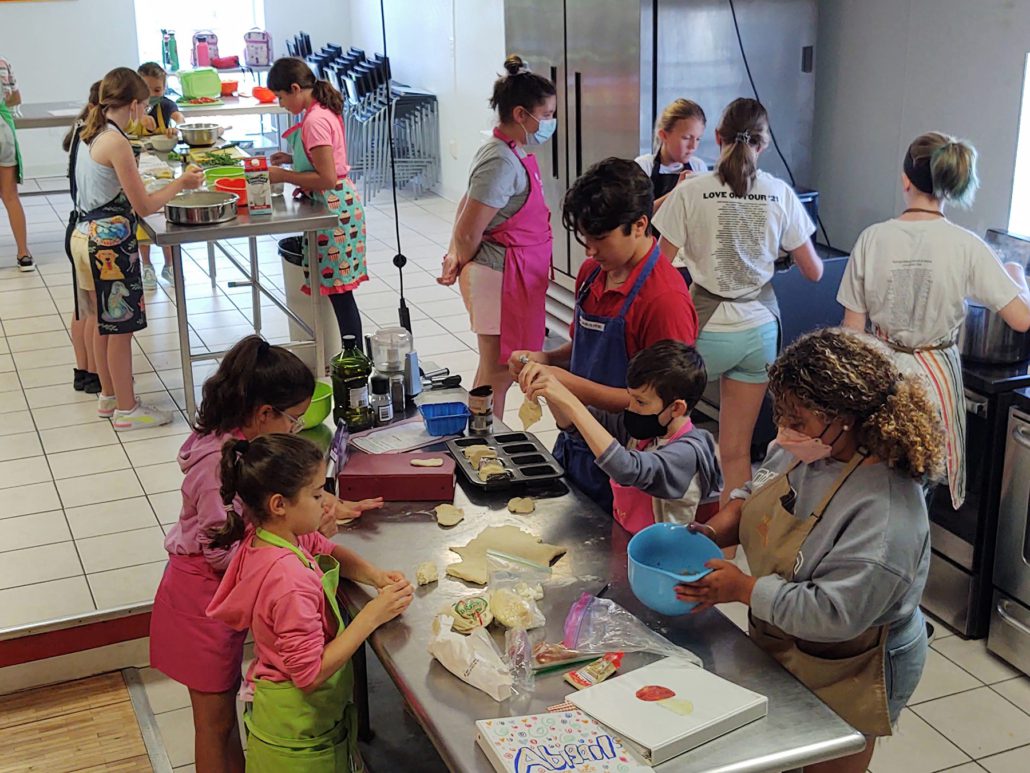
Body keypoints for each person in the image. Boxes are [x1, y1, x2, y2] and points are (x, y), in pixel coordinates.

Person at [677, 328, 943, 773]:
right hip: (789, 634)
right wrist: (712, 530)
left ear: (847, 418)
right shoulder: (810, 447)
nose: (784, 432)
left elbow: (833, 614)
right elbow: (756, 493)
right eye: (782, 415)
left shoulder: (886, 516)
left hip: (854, 658)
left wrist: (743, 589)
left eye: (797, 420)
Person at [150, 336, 382, 773]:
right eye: (294, 419)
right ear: (263, 414)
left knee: (224, 723)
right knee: (215, 726)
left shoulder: (245, 444)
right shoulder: (214, 465)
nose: (296, 428)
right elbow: (222, 552)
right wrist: (295, 533)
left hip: (221, 595)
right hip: (197, 603)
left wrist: (319, 505)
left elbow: (263, 513)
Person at [839, 131, 1030, 509]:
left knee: (875, 486)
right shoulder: (966, 245)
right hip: (934, 381)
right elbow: (1022, 320)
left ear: (905, 180)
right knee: (917, 493)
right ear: (950, 185)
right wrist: (1017, 276)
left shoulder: (872, 239)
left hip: (882, 378)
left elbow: (852, 332)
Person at [653, 98, 823, 509]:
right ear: (764, 144)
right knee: (736, 451)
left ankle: (667, 519)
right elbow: (814, 271)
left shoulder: (691, 191)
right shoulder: (779, 193)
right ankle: (732, 533)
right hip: (758, 332)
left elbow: (657, 268)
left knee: (664, 432)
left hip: (703, 327)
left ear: (717, 137)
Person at [207, 433, 413, 771]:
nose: (326, 506)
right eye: (317, 495)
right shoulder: (289, 580)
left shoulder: (273, 536)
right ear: (279, 505)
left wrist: (374, 575)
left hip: (288, 715)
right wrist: (372, 615)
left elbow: (325, 547)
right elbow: (309, 672)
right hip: (296, 739)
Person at [510, 158, 698, 511]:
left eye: (599, 239)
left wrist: (567, 386)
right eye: (585, 238)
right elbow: (585, 346)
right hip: (575, 444)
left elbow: (657, 406)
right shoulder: (592, 273)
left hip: (626, 460)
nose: (590, 250)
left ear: (639, 225)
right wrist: (548, 359)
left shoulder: (664, 300)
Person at [72, 67, 203, 429]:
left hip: (84, 235)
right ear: (132, 105)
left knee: (103, 324)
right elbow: (144, 205)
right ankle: (128, 410)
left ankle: (109, 397)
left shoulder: (91, 130)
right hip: (108, 244)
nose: (145, 112)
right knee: (120, 329)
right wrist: (182, 183)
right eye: (144, 106)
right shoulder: (116, 142)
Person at [437, 55, 556, 417]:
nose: (550, 122)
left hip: (513, 276)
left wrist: (459, 253)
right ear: (521, 114)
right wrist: (459, 257)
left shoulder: (511, 151)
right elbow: (469, 227)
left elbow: (468, 203)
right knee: (499, 370)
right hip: (498, 278)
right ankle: (486, 439)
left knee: (495, 368)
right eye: (547, 114)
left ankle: (483, 434)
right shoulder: (500, 160)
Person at [521, 339, 721, 532]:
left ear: (676, 408)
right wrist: (550, 392)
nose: (631, 408)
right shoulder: (649, 430)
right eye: (631, 397)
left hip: (664, 551)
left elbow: (627, 469)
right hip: (625, 537)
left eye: (640, 402)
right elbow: (576, 426)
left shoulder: (688, 453)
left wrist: (569, 400)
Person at [267, 57, 367, 350]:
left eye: (281, 96)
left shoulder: (314, 121)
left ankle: (354, 359)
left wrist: (283, 175)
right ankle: (349, 356)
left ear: (295, 88)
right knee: (338, 292)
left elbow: (326, 177)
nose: (281, 104)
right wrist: (291, 159)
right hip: (337, 205)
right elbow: (325, 159)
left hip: (334, 211)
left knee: (341, 294)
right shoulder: (320, 111)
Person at [63, 81, 101, 395]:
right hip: (90, 230)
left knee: (82, 308)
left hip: (76, 226)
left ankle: (84, 372)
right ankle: (99, 374)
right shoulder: (97, 139)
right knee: (95, 312)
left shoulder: (80, 132)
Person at [135, 62, 184, 290]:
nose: (152, 95)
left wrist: (176, 126)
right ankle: (146, 265)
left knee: (165, 216)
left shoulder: (165, 105)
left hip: (163, 169)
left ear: (164, 88)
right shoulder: (133, 109)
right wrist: (139, 120)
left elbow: (180, 117)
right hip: (139, 169)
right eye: (146, 89)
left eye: (157, 89)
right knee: (142, 218)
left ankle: (170, 265)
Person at [635, 98, 708, 215]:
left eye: (698, 139)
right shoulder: (643, 166)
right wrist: (677, 192)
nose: (693, 146)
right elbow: (637, 215)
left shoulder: (698, 167)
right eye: (686, 138)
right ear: (664, 135)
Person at [0, 54, 31, 271]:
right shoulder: (2, 62)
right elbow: (15, 98)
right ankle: (23, 254)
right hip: (3, 131)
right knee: (10, 196)